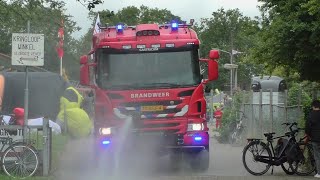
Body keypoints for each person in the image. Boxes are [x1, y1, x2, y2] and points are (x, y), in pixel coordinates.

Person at [305, 99, 320, 178]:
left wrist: (308, 134)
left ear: (313, 106)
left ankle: (319, 173)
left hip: (315, 139)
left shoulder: (311, 115)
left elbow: (307, 127)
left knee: (317, 156)